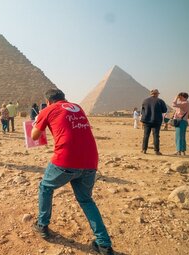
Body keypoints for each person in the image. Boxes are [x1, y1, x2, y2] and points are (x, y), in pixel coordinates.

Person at [31, 89, 113, 255]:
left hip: (66, 159)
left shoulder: (47, 110)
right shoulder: (77, 107)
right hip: (90, 160)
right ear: (64, 98)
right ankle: (104, 245)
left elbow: (34, 136)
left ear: (48, 101)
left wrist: (37, 121)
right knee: (86, 200)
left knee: (45, 187)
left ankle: (42, 225)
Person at [140, 89, 167, 155]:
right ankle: (156, 151)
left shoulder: (145, 101)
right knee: (156, 136)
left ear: (151, 94)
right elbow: (164, 110)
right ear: (157, 94)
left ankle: (144, 149)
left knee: (146, 136)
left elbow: (142, 111)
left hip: (146, 121)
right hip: (156, 121)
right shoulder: (160, 101)